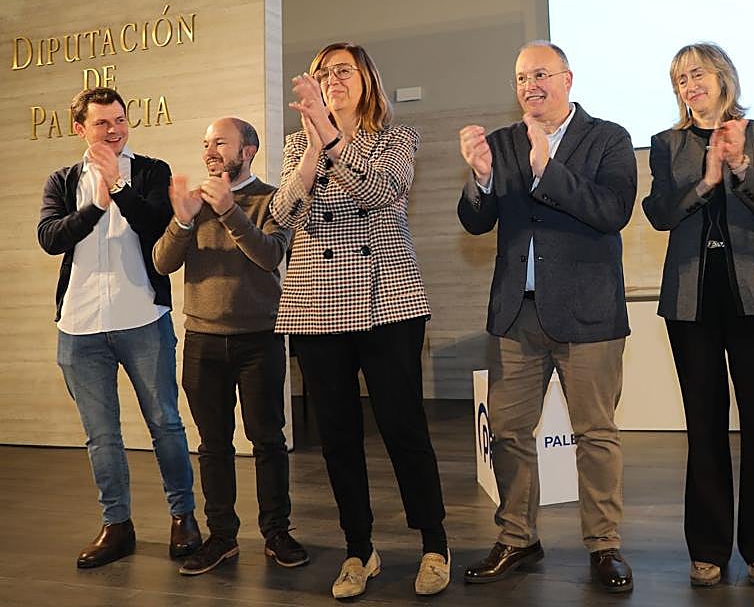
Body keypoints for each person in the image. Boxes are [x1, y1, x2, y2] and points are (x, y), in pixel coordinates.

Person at [270, 43, 450, 599]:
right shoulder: (297, 144)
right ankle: (359, 549)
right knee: (338, 437)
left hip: (386, 301)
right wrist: (310, 155)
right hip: (315, 304)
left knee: (402, 427)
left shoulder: (396, 138)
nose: (332, 79)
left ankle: (434, 544)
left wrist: (331, 138)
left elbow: (381, 191)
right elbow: (281, 215)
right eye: (323, 73)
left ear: (367, 79)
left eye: (343, 70)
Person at [457, 41, 637, 593]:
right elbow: (475, 223)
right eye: (520, 78)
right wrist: (482, 179)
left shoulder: (609, 138)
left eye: (540, 74)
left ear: (567, 79)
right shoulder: (502, 142)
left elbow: (613, 211)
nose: (529, 86)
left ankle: (604, 545)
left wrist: (547, 170)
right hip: (518, 313)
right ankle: (518, 538)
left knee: (595, 434)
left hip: (588, 314)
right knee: (508, 432)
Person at [642, 42, 754, 587]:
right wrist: (706, 180)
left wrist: (742, 167)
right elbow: (659, 213)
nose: (690, 85)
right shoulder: (667, 144)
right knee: (703, 424)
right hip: (691, 301)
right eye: (681, 79)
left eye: (697, 73)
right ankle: (707, 546)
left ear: (723, 77)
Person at [36, 86, 200, 568]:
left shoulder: (151, 171)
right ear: (80, 128)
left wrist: (120, 188)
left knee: (165, 423)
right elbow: (50, 237)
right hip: (80, 324)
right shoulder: (63, 181)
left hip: (142, 317)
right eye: (102, 122)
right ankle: (117, 526)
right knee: (101, 435)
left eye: (120, 120)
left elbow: (156, 226)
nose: (114, 130)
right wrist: (95, 205)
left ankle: (183, 517)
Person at [152, 117, 308, 575]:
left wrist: (228, 211)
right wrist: (183, 220)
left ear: (248, 150)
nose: (210, 151)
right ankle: (222, 537)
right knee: (213, 445)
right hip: (202, 340)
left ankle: (276, 533)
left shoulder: (272, 199)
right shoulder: (193, 202)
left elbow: (270, 255)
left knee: (268, 441)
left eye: (220, 142)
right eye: (206, 143)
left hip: (260, 339)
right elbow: (162, 263)